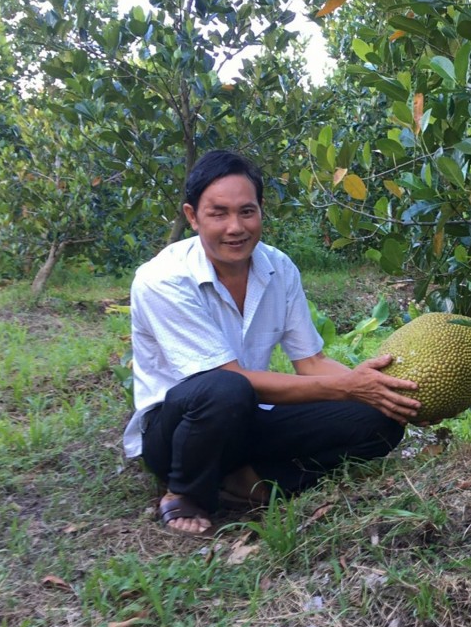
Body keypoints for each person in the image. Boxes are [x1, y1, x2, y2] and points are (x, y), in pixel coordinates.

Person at [122, 149, 421, 536]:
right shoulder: (163, 278)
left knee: (380, 423)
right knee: (225, 389)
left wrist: (382, 393)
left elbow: (311, 363)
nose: (235, 227)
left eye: (247, 211)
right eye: (219, 213)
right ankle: (184, 491)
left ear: (261, 210)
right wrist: (348, 386)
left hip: (245, 417)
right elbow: (226, 378)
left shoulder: (278, 268)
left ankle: (248, 481)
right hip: (180, 431)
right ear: (192, 216)